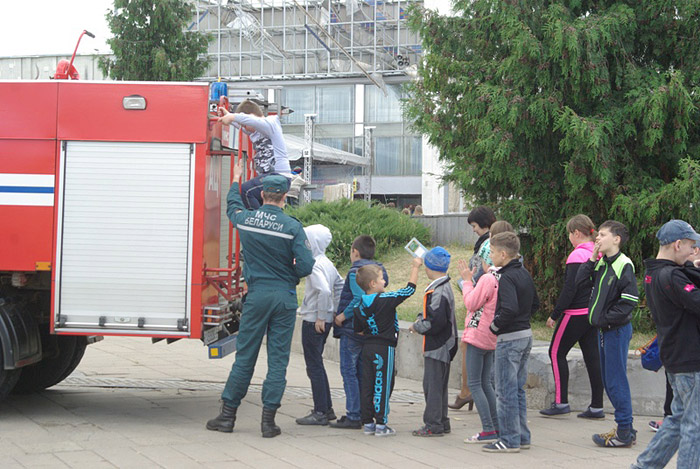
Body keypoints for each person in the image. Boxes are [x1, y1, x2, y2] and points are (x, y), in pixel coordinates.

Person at [206, 160, 315, 438]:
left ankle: (227, 416)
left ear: (264, 194)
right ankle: (268, 422)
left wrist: (236, 179)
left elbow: (232, 206)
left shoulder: (247, 220)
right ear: (283, 198)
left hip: (256, 298)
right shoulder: (292, 227)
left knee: (245, 357)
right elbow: (305, 265)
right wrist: (288, 276)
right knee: (278, 360)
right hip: (284, 298)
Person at [631, 220, 700, 469]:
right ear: (678, 244)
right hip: (690, 359)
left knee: (678, 419)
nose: (694, 251)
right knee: (695, 425)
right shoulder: (672, 276)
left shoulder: (656, 273)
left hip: (676, 357)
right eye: (692, 246)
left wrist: (692, 266)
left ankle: (645, 465)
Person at [575, 220, 639, 448]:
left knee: (615, 380)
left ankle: (623, 432)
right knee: (610, 379)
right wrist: (592, 258)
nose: (597, 239)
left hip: (616, 331)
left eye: (602, 235)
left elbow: (629, 301)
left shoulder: (624, 265)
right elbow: (579, 282)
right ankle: (627, 429)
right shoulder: (602, 263)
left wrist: (604, 318)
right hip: (604, 330)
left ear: (617, 239)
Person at [540, 215, 604, 419]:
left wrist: (555, 314)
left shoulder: (576, 256)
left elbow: (570, 289)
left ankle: (561, 402)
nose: (569, 238)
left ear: (576, 233)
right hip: (592, 314)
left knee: (556, 352)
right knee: (593, 357)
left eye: (570, 234)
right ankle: (596, 406)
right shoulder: (599, 254)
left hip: (574, 313)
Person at [483, 232, 539, 453]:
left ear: (503, 254)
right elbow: (535, 303)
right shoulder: (524, 273)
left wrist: (494, 326)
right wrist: (522, 320)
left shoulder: (506, 277)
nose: (491, 256)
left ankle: (508, 440)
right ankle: (522, 436)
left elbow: (509, 309)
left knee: (505, 391)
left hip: (510, 338)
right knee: (517, 390)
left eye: (493, 252)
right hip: (525, 335)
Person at [354, 259, 421, 436]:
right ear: (373, 283)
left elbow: (358, 330)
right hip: (385, 348)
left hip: (367, 348)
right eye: (382, 278)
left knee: (367, 384)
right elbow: (409, 289)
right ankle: (381, 424)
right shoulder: (385, 299)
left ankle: (368, 422)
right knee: (383, 384)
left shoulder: (358, 306)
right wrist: (415, 266)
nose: (385, 281)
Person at [331, 235, 389, 429]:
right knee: (365, 373)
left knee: (349, 371)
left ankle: (354, 414)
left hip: (353, 329)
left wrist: (342, 317)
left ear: (355, 252)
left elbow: (359, 299)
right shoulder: (379, 272)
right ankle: (366, 413)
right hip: (371, 329)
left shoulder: (357, 272)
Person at [295, 224, 344, 426]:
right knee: (317, 364)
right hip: (323, 319)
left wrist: (322, 316)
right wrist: (334, 312)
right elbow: (339, 285)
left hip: (313, 322)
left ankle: (321, 411)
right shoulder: (327, 262)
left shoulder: (314, 264)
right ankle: (327, 408)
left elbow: (324, 291)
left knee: (313, 366)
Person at [450, 205, 497, 410]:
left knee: (470, 350)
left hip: (481, 313)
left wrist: (465, 283)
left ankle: (468, 393)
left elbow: (476, 285)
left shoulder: (485, 248)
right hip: (489, 315)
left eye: (475, 226)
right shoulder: (492, 244)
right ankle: (468, 393)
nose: (473, 230)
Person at [409, 247, 458, 437]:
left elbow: (434, 321)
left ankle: (433, 424)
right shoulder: (441, 287)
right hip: (442, 343)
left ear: (430, 267)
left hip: (438, 345)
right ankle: (442, 421)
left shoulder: (439, 291)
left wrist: (417, 326)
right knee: (439, 385)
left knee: (432, 386)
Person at [458, 244, 499, 444]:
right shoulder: (501, 277)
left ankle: (488, 429)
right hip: (491, 335)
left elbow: (472, 303)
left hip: (478, 334)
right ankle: (496, 426)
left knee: (475, 384)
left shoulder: (487, 278)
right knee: (486, 383)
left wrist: (467, 282)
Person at [218, 100, 292, 209]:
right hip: (268, 177)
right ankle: (266, 220)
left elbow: (253, 121)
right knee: (256, 199)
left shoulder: (270, 124)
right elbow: (241, 125)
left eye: (245, 124)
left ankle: (257, 221)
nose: (244, 128)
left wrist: (233, 116)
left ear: (251, 117)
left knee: (246, 191)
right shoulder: (255, 131)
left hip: (278, 176)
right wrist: (228, 117)